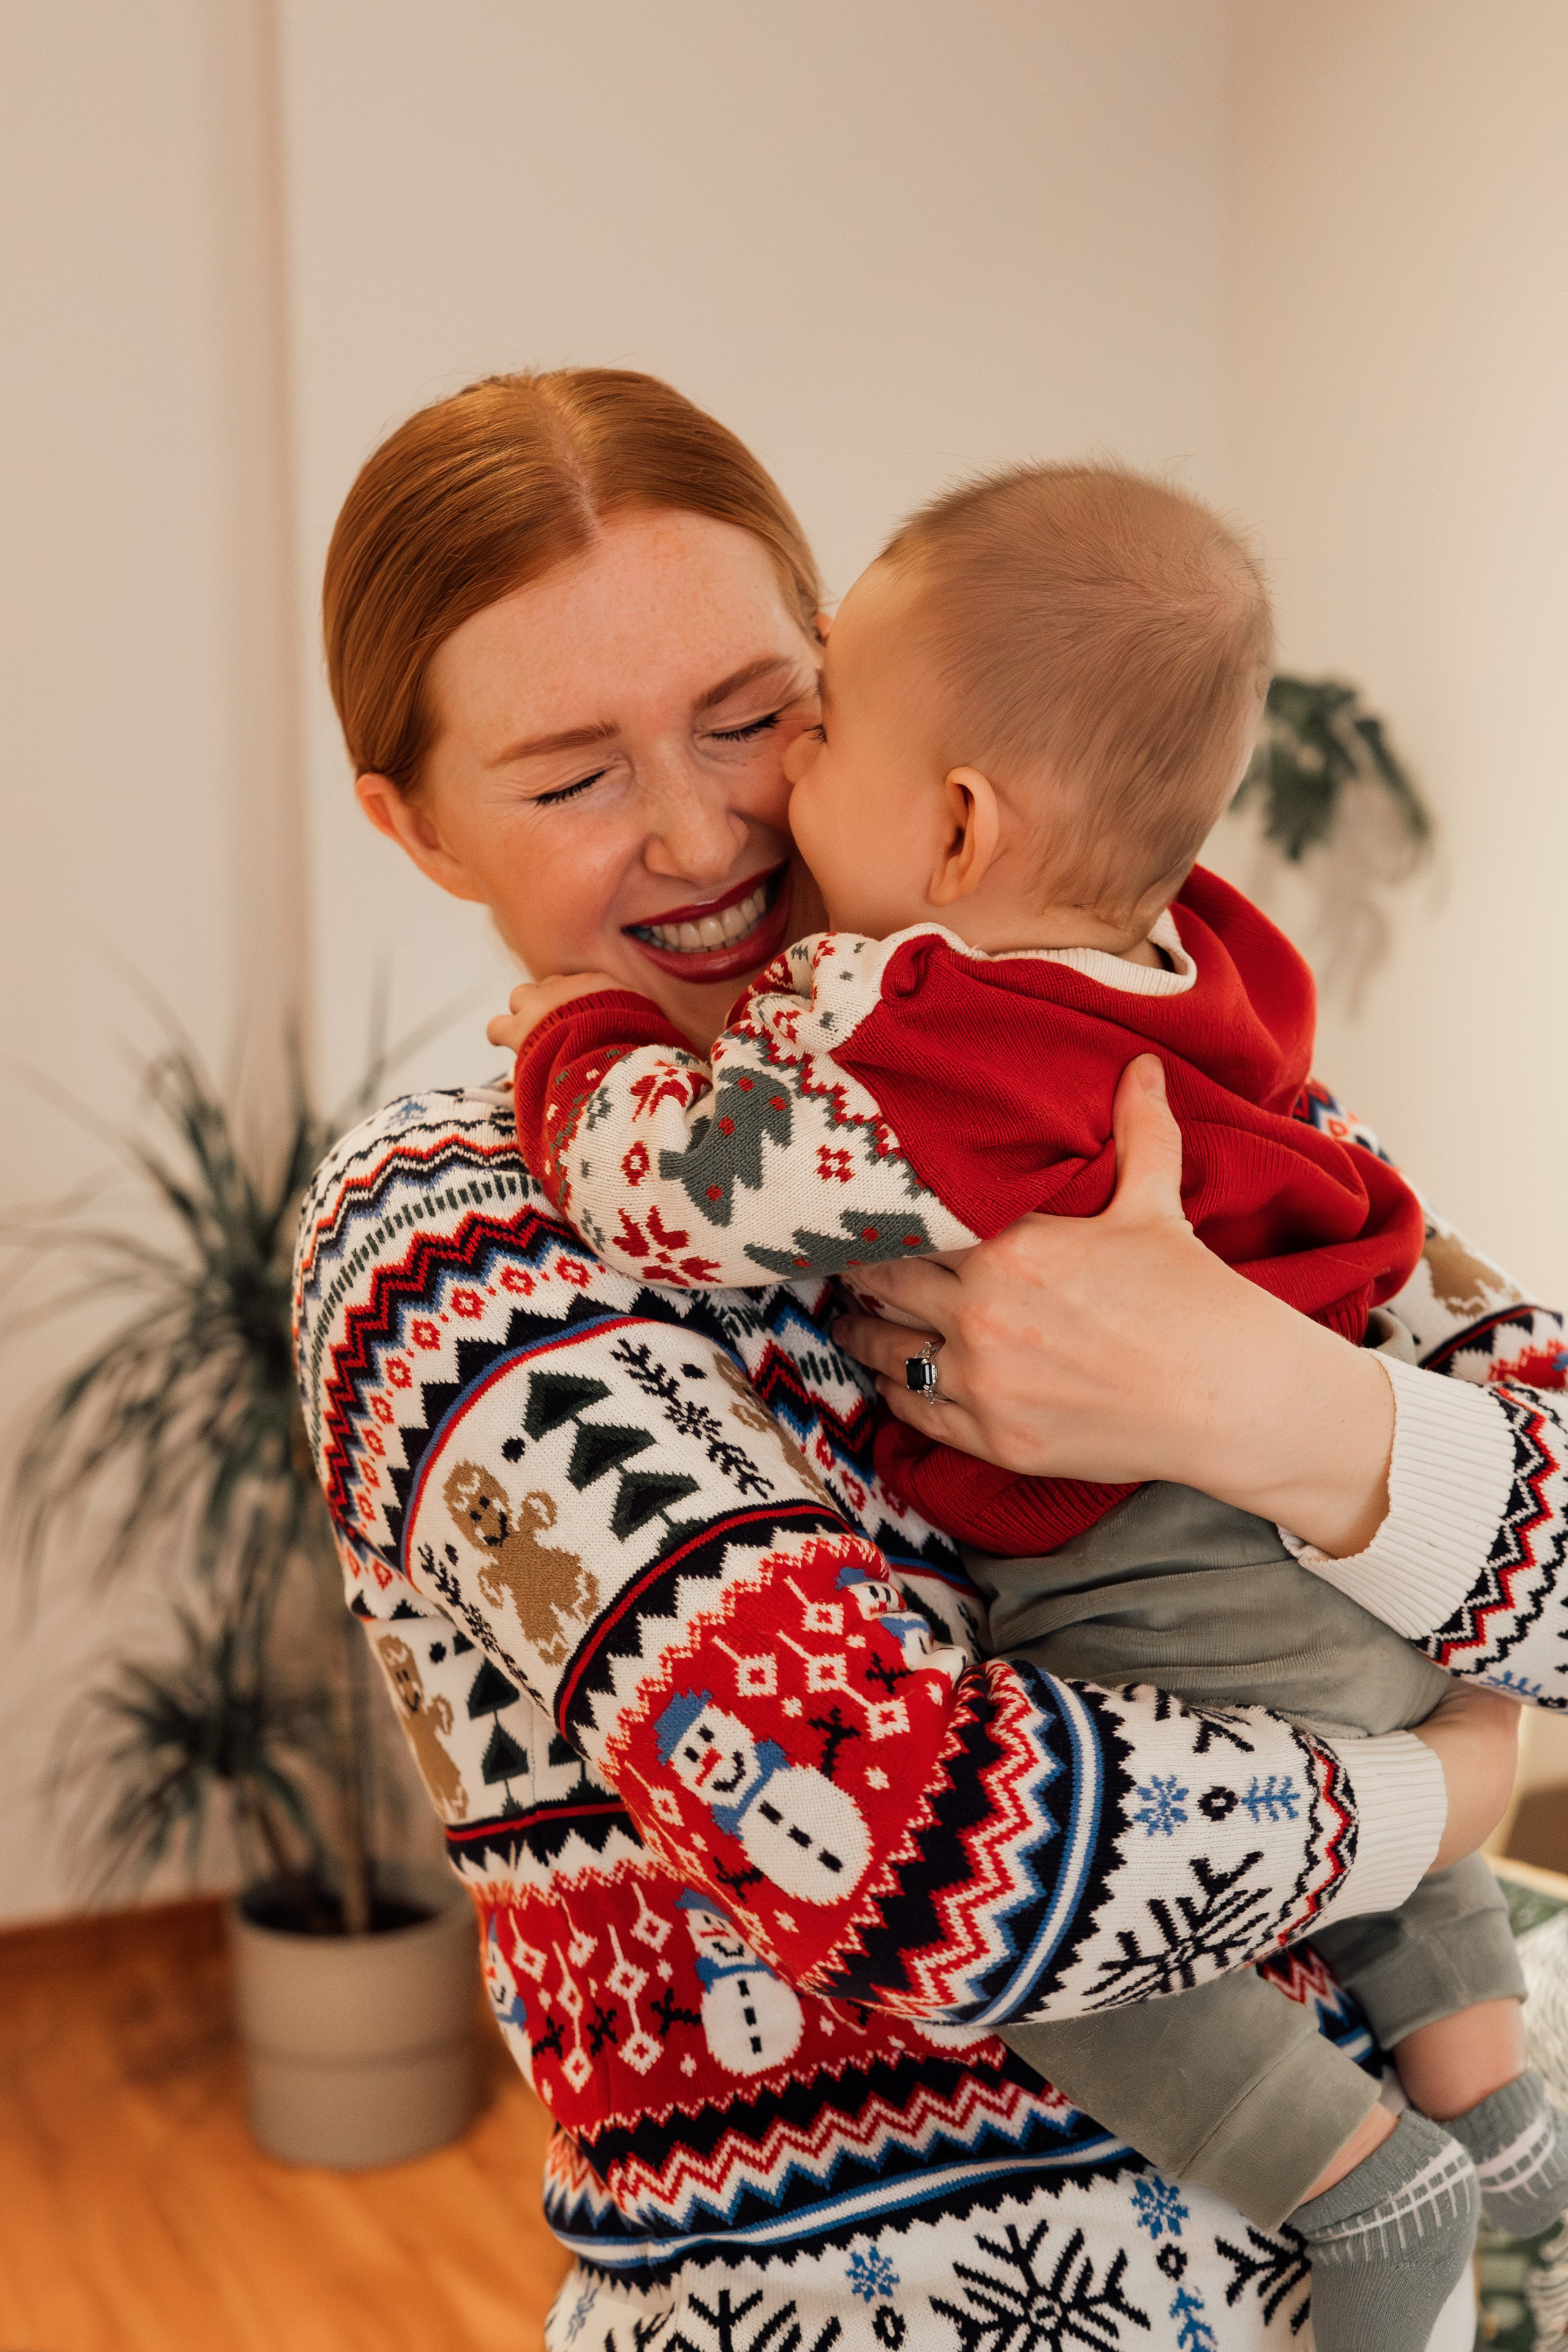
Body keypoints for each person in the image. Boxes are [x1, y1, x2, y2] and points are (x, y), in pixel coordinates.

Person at [295, 365, 1559, 2352]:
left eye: (755, 721)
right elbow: (917, 1859)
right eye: (570, 779)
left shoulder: (1055, 1027)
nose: (709, 829)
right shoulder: (446, 1246)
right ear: (416, 827)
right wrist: (1437, 1798)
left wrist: (1284, 1411)